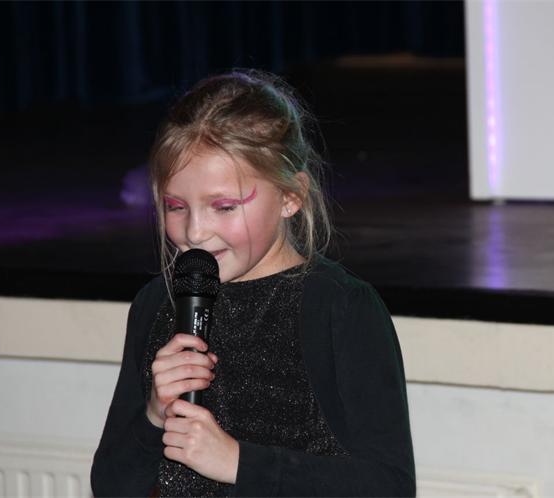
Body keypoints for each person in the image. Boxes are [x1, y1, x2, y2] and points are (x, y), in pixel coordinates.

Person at [91, 69, 415, 497]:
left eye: (224, 206)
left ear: (290, 196)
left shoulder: (340, 308)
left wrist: (239, 463)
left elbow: (388, 486)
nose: (194, 232)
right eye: (175, 206)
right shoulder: (157, 304)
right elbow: (112, 485)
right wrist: (153, 415)